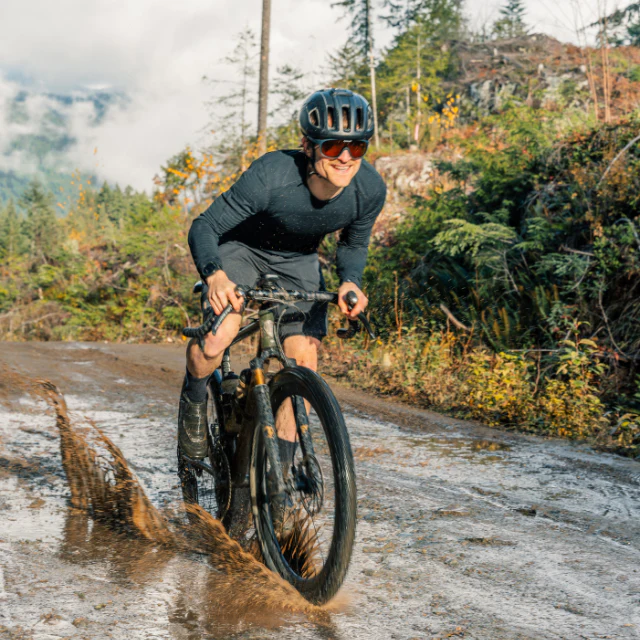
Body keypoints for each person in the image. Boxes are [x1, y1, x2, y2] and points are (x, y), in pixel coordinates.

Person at [178, 87, 387, 468]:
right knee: (218, 339)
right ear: (308, 147)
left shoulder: (368, 189)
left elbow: (353, 244)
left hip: (299, 260)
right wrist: (215, 276)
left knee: (303, 360)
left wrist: (350, 280)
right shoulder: (271, 175)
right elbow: (204, 226)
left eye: (356, 148)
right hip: (239, 250)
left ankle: (282, 477)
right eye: (332, 147)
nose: (344, 158)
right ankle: (193, 400)